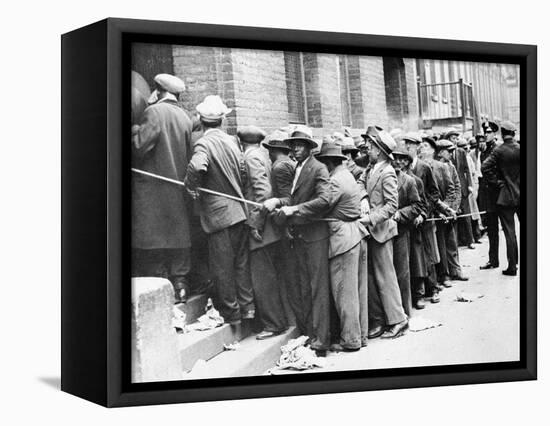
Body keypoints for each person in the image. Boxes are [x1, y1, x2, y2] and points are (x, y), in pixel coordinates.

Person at [184, 95, 254, 325]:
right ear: (222, 120)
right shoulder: (232, 142)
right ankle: (247, 309)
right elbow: (244, 174)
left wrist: (192, 187)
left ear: (201, 121)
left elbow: (197, 165)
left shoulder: (203, 143)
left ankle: (232, 315)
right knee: (241, 265)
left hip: (219, 216)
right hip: (239, 212)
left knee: (222, 268)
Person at [263, 125, 331, 355]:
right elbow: (292, 199)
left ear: (310, 148)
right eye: (293, 145)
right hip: (301, 237)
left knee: (317, 289)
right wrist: (279, 204)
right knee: (305, 289)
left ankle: (321, 341)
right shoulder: (298, 168)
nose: (296, 149)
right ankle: (312, 335)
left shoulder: (318, 168)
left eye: (301, 145)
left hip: (315, 237)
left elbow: (324, 200)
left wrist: (295, 210)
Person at [131, 73, 193, 304]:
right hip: (176, 189)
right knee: (177, 238)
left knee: (155, 242)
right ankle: (181, 289)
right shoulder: (185, 116)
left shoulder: (154, 112)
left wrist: (135, 129)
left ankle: (164, 294)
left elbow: (138, 148)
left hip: (153, 191)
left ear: (157, 91)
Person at [316, 142, 369, 352]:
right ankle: (360, 336)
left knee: (344, 293)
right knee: (358, 291)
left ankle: (351, 340)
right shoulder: (346, 175)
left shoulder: (335, 181)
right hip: (356, 235)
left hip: (344, 240)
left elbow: (321, 206)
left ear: (328, 162)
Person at [358, 126, 408, 339]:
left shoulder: (387, 172)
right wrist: (363, 198)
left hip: (381, 232)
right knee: (374, 278)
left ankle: (399, 320)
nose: (367, 148)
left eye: (370, 145)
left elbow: (391, 206)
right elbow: (361, 183)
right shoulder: (371, 168)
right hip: (373, 231)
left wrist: (369, 217)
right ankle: (380, 321)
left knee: (385, 277)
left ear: (379, 149)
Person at [239, 126, 289, 339]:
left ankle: (274, 324)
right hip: (271, 229)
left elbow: (263, 192)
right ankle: (277, 320)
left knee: (263, 279)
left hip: (263, 230)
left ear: (242, 142)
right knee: (269, 276)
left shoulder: (250, 158)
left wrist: (256, 224)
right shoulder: (262, 156)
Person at [405, 132, 442, 305]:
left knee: (428, 254)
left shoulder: (424, 167)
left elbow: (434, 193)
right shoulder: (402, 169)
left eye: (409, 146)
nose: (406, 149)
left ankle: (433, 289)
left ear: (416, 147)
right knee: (415, 256)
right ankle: (418, 293)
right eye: (405, 145)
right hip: (410, 220)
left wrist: (424, 213)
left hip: (425, 218)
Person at [418, 136, 458, 293]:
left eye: (426, 146)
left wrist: (446, 209)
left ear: (434, 150)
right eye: (421, 146)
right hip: (428, 213)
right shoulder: (418, 167)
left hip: (441, 212)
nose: (422, 148)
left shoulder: (441, 167)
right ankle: (432, 282)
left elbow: (450, 189)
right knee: (429, 248)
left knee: (442, 245)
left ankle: (444, 275)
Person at [481, 121, 520, 276]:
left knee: (510, 232)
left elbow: (485, 167)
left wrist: (497, 182)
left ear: (502, 134)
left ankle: (512, 266)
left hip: (506, 197)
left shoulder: (499, 151)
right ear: (514, 134)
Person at [391, 143, 423, 316]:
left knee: (402, 272)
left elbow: (417, 206)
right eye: (394, 158)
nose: (397, 162)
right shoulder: (384, 177)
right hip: (382, 230)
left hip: (401, 230)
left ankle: (405, 310)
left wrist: (400, 214)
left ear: (406, 162)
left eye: (401, 159)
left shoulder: (409, 181)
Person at [436, 139, 469, 283]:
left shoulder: (451, 167)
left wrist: (452, 209)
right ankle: (444, 275)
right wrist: (441, 211)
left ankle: (456, 270)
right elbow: (432, 192)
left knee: (452, 243)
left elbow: (457, 188)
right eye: (449, 151)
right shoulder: (432, 167)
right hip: (437, 213)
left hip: (450, 213)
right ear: (441, 152)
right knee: (440, 246)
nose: (451, 154)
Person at [445, 129, 475, 249]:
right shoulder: (445, 154)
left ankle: (470, 240)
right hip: (451, 189)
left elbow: (467, 169)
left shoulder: (461, 152)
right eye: (453, 138)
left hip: (463, 189)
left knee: (467, 215)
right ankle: (455, 242)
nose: (455, 141)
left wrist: (469, 185)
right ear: (448, 140)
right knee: (454, 215)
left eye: (457, 138)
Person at [478, 121, 501, 270]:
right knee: (491, 230)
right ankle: (493, 260)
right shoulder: (485, 151)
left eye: (489, 132)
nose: (486, 135)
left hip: (498, 194)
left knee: (506, 228)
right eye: (485, 132)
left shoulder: (497, 150)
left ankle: (513, 261)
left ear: (494, 134)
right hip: (488, 196)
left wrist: (497, 182)